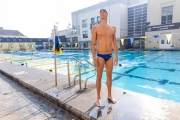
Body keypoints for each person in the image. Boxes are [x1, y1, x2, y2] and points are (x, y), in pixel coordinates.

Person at [91, 9, 118, 107]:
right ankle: (98, 98)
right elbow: (93, 43)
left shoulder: (113, 28)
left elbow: (114, 43)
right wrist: (94, 57)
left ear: (107, 14)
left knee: (109, 76)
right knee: (99, 77)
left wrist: (116, 56)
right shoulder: (95, 28)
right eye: (100, 12)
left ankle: (109, 95)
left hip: (109, 55)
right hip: (100, 55)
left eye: (103, 11)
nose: (101, 13)